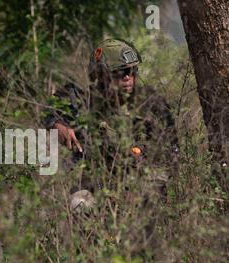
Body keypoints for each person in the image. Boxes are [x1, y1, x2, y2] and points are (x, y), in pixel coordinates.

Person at [44, 39, 178, 212]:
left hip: (140, 185)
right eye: (119, 73)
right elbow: (47, 111)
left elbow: (173, 153)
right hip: (94, 185)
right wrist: (58, 125)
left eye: (131, 71)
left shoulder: (151, 105)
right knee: (79, 204)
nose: (128, 77)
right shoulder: (82, 101)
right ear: (100, 76)